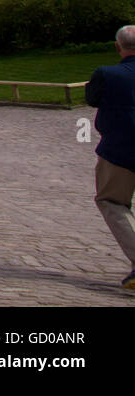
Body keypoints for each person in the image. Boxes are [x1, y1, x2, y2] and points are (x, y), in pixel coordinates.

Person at [84, 25, 135, 290]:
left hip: (120, 149)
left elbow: (92, 99)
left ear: (118, 47)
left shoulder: (107, 74)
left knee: (113, 202)